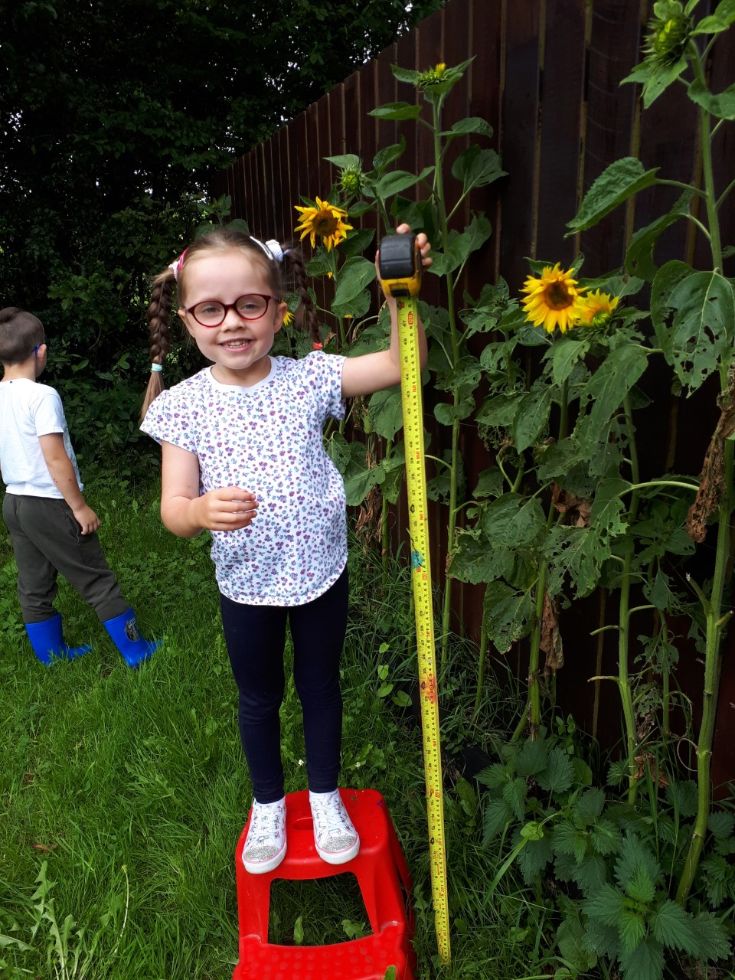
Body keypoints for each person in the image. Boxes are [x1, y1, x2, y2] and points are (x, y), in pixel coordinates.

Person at [140, 224, 430, 874]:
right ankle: (269, 803)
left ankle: (324, 797)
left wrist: (398, 297)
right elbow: (171, 509)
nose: (232, 322)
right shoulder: (183, 408)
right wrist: (197, 510)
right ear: (187, 320)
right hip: (245, 586)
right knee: (258, 697)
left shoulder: (310, 379)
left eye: (250, 303)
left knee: (321, 687)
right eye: (210, 308)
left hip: (321, 575)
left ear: (277, 307)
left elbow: (396, 366)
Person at [0, 307, 159, 668]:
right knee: (96, 578)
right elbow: (55, 457)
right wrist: (78, 506)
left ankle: (53, 658)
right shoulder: (40, 396)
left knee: (33, 585)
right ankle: (137, 652)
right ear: (40, 351)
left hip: (15, 502)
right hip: (50, 502)